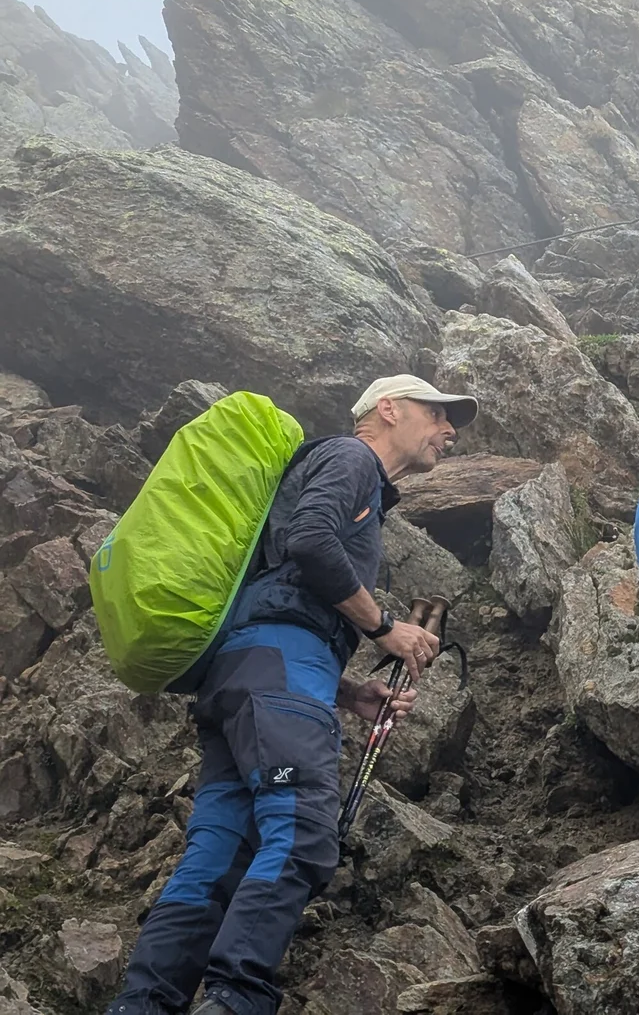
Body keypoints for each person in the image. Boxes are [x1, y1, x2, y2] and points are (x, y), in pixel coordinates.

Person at [108, 376, 471, 1015]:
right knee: (302, 829)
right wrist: (385, 628)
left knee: (218, 856)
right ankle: (236, 1000)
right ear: (388, 409)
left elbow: (280, 594)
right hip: (280, 673)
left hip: (242, 678)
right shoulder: (352, 457)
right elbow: (310, 543)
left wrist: (348, 692)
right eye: (438, 413)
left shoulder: (340, 474)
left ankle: (142, 1005)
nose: (449, 431)